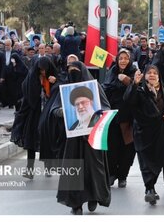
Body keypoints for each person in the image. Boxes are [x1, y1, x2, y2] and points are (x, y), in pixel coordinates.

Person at [55, 60, 111, 215]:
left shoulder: (95, 87)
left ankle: (94, 196)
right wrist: (60, 112)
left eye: (76, 71)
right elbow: (54, 108)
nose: (74, 74)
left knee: (94, 169)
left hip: (93, 137)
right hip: (74, 139)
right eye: (70, 71)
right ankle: (76, 203)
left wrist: (100, 113)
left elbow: (106, 106)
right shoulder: (64, 89)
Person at [125, 64, 164, 205]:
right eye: (149, 73)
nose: (152, 75)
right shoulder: (140, 90)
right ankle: (149, 189)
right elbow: (129, 100)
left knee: (157, 161)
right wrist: (134, 84)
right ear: (145, 76)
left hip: (161, 133)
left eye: (155, 73)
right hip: (143, 133)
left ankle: (151, 188)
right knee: (145, 162)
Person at [11, 56, 57, 178]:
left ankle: (48, 168)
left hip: (48, 115)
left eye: (45, 70)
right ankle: (29, 170)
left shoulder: (53, 77)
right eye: (40, 70)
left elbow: (58, 93)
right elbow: (28, 94)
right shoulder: (32, 78)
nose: (43, 72)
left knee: (47, 141)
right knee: (30, 142)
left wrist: (54, 83)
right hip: (33, 114)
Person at [101, 48, 138, 188]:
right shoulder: (112, 71)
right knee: (112, 147)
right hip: (112, 116)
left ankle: (123, 175)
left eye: (126, 58)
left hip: (128, 118)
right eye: (120, 58)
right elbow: (105, 88)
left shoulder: (134, 73)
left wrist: (127, 81)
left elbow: (138, 90)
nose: (123, 61)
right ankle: (111, 174)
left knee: (127, 148)